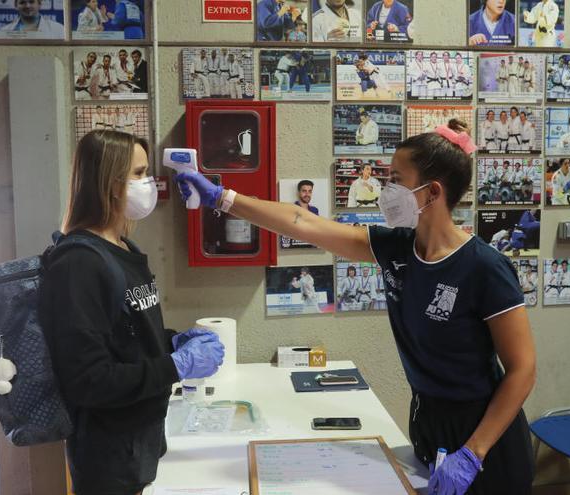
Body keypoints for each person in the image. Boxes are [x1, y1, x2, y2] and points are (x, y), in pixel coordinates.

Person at [175, 119, 536, 494]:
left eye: (396, 179)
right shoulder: (397, 248)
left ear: (432, 192)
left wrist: (474, 452)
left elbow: (523, 369)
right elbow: (303, 222)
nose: (386, 190)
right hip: (428, 418)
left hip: (484, 433)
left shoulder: (484, 267)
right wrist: (222, 198)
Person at [43, 131, 225, 495]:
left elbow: (126, 336)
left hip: (139, 444)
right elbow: (88, 381)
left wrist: (173, 341)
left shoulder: (122, 247)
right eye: (140, 174)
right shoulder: (77, 264)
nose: (149, 183)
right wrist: (177, 365)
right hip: (107, 460)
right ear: (111, 185)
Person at [0, 0, 65, 37]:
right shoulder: (4, 32)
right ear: (16, 6)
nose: (27, 6)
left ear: (39, 4)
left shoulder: (58, 29)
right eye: (22, 2)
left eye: (31, 1)